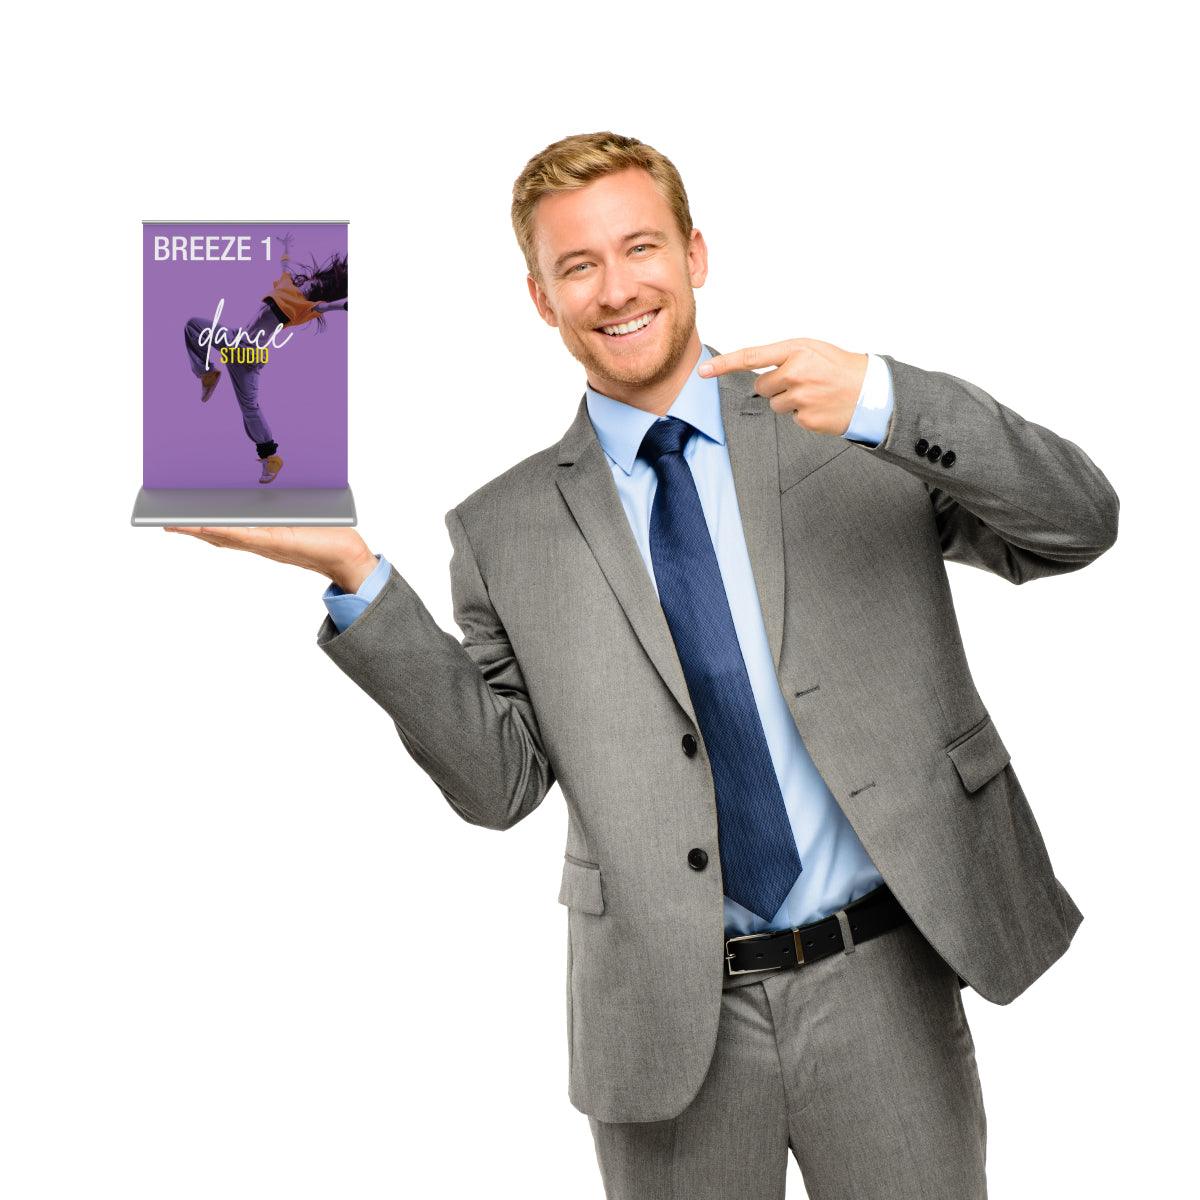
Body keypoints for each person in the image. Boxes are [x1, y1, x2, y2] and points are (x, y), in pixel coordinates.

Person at [165, 131, 1119, 1198]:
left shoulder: (846, 426)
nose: (617, 288)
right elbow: (497, 786)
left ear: (696, 253)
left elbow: (1077, 528)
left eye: (641, 248)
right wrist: (356, 577)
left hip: (886, 976)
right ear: (541, 297)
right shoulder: (504, 529)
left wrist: (893, 400)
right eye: (578, 266)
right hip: (665, 1024)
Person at [182, 232, 349, 484]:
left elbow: (327, 307)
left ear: (320, 288)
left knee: (249, 409)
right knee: (193, 326)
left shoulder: (308, 306)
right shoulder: (287, 284)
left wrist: (345, 306)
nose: (310, 283)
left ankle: (270, 456)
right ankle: (207, 373)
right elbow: (284, 265)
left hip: (248, 354)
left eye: (316, 285)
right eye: (310, 280)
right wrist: (284, 246)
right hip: (235, 339)